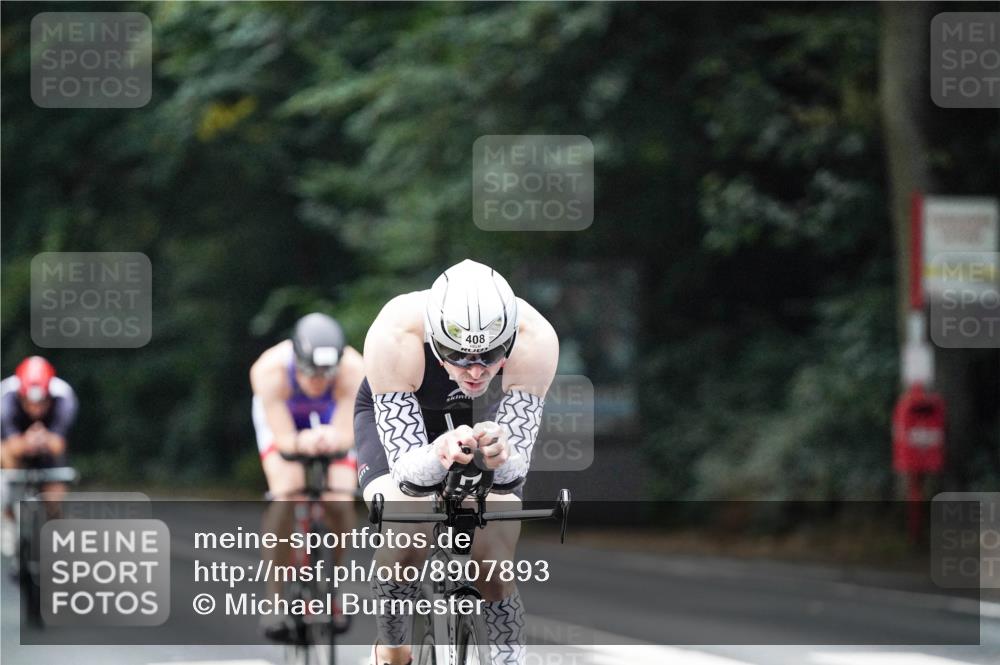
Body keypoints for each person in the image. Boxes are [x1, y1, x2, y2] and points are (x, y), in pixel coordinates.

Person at [355, 259, 559, 665]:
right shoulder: (396, 334)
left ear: (509, 341)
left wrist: (501, 455)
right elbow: (408, 477)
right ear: (434, 340)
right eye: (459, 357)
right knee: (405, 536)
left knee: (495, 566)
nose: (476, 371)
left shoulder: (534, 339)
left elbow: (511, 474)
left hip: (485, 425)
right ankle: (392, 647)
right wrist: (438, 452)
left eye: (491, 356)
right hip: (408, 425)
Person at [249, 312, 364, 641]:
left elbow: (347, 434)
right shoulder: (269, 370)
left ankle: (332, 586)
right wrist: (300, 442)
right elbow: (283, 440)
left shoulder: (355, 370)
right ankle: (274, 600)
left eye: (326, 375)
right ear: (296, 360)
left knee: (340, 501)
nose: (317, 382)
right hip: (285, 422)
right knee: (286, 493)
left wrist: (333, 441)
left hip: (331, 423)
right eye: (310, 373)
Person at [1, 356, 78, 557]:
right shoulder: (6, 397)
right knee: (5, 455)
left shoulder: (64, 397)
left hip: (47, 450)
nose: (36, 410)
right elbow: (10, 444)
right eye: (30, 403)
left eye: (41, 403)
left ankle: (57, 539)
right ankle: (9, 515)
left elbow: (58, 445)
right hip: (13, 449)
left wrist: (42, 440)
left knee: (55, 495)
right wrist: (27, 442)